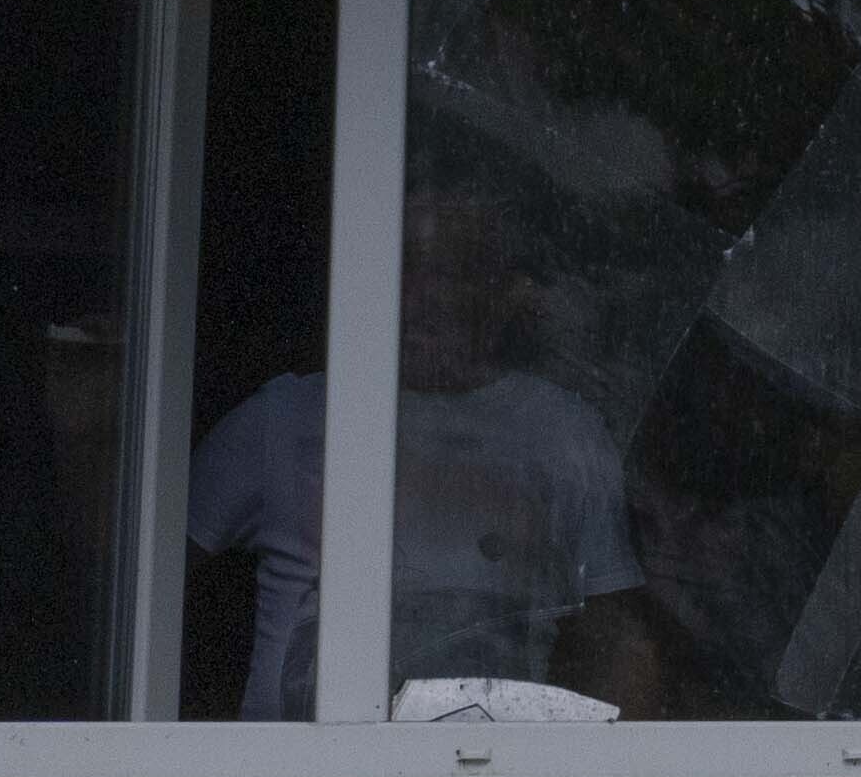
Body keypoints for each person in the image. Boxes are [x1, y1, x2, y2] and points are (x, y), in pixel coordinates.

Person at [176, 161, 681, 716]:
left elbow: (620, 645)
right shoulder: (285, 418)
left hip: (495, 775)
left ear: (504, 292)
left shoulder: (561, 433)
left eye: (447, 271)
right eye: (401, 267)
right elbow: (133, 581)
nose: (417, 295)